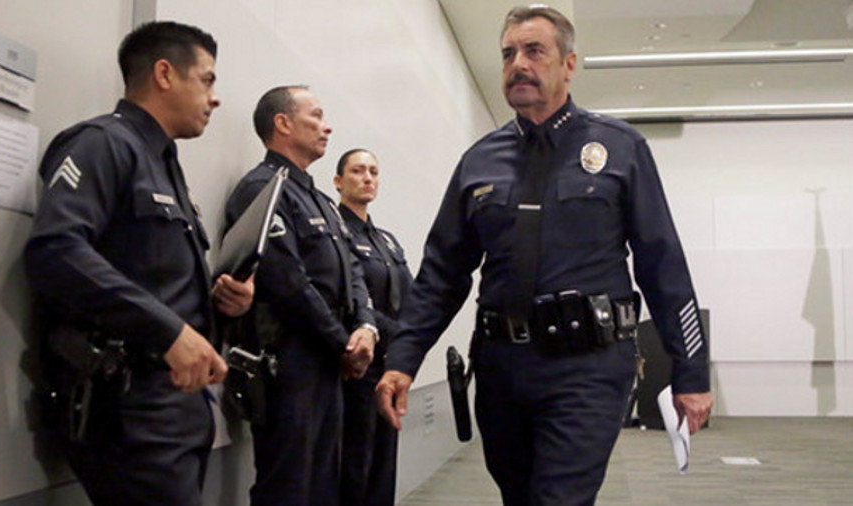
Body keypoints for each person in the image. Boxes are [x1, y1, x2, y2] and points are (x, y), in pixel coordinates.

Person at [376, 5, 713, 506]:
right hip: (501, 370)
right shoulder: (479, 161)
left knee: (559, 499)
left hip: (588, 366)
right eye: (509, 53)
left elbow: (662, 265)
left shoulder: (620, 149)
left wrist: (691, 371)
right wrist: (403, 358)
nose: (518, 64)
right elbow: (442, 273)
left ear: (569, 64)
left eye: (534, 51)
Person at [23, 21, 254, 505]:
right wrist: (167, 330)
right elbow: (57, 251)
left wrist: (219, 301)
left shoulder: (163, 163)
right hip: (129, 407)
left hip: (176, 407)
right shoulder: (102, 143)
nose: (215, 98)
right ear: (165, 74)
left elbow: (153, 275)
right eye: (208, 80)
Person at [223, 86, 378, 505]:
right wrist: (342, 343)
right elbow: (287, 282)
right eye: (316, 116)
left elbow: (353, 270)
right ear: (283, 123)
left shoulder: (322, 201)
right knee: (288, 486)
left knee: (324, 485)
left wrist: (365, 325)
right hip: (288, 363)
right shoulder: (261, 188)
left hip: (328, 362)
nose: (327, 126)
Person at [333, 149, 413, 506]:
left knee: (384, 462)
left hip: (390, 367)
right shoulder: (336, 234)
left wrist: (411, 342)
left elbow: (413, 298)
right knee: (355, 463)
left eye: (374, 172)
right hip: (357, 368)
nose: (367, 177)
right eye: (358, 171)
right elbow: (349, 300)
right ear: (338, 181)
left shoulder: (387, 240)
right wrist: (400, 335)